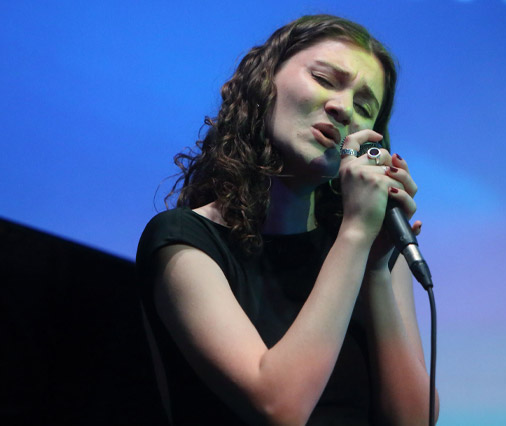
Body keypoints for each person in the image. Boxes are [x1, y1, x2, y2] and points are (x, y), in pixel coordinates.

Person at [136, 14, 438, 425]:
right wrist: (355, 234)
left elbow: (413, 420)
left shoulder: (372, 246)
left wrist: (374, 269)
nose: (342, 108)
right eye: (324, 79)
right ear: (264, 82)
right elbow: (280, 408)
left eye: (364, 107)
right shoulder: (183, 241)